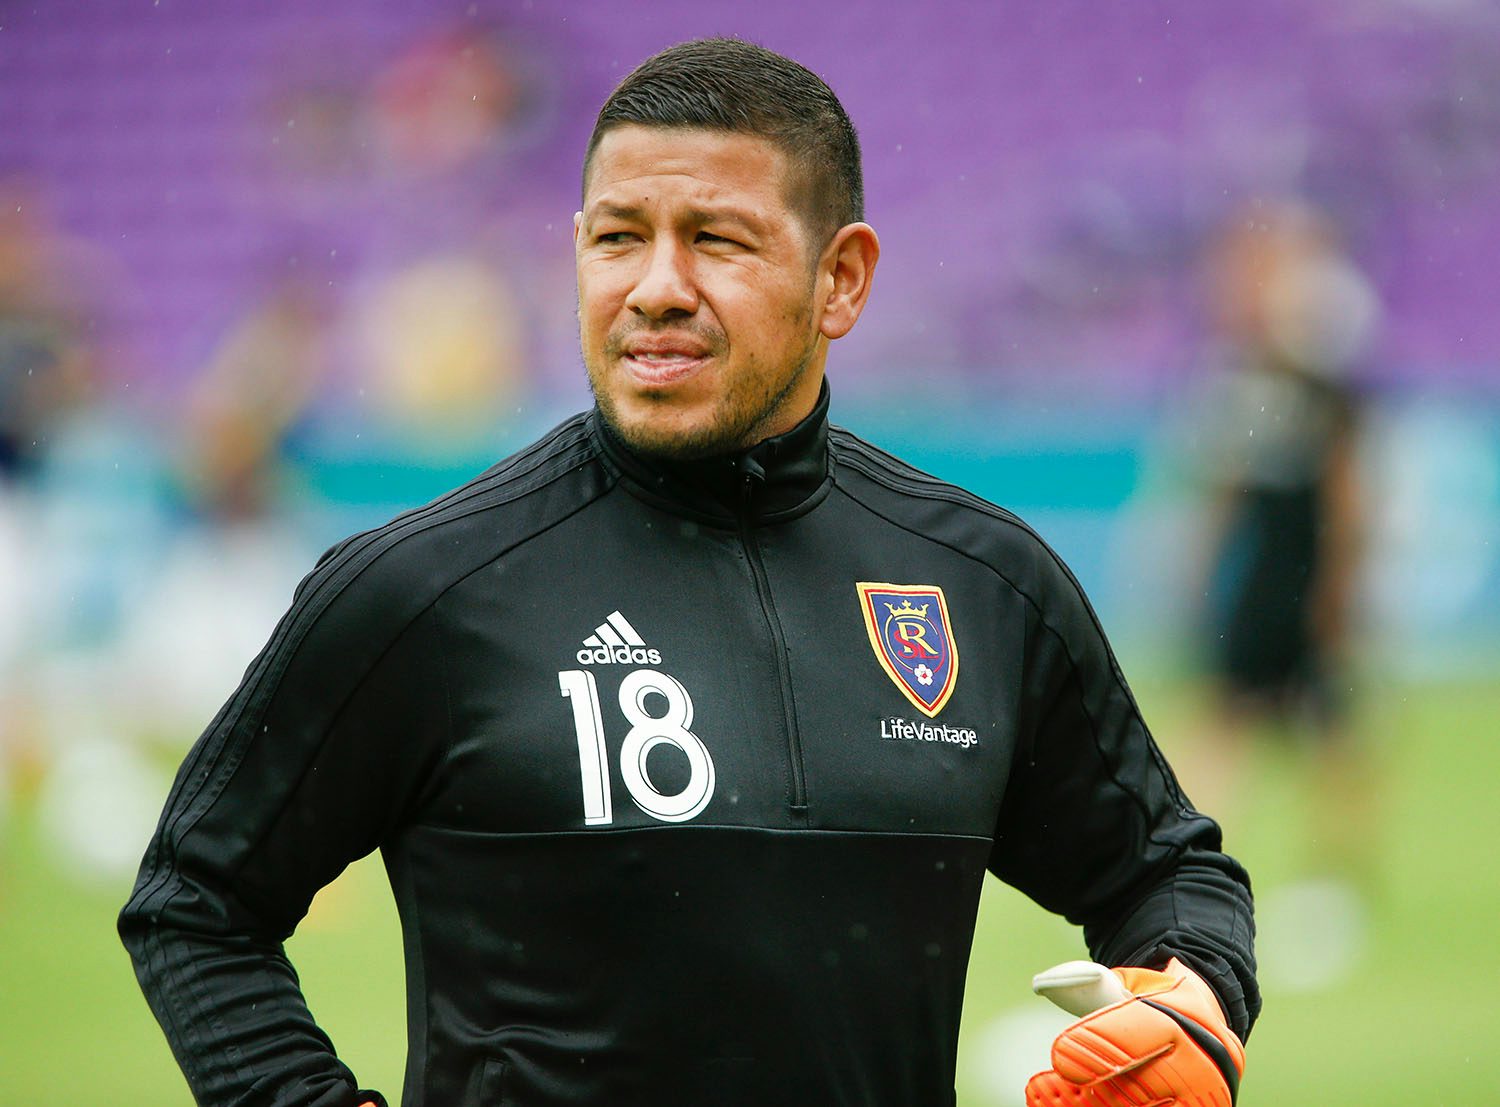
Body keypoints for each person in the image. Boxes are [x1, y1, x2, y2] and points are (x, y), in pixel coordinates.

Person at [120, 38, 1257, 1107]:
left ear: (842, 278)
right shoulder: (423, 586)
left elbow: (1166, 874)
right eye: (619, 238)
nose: (655, 287)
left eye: (716, 240)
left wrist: (1192, 1001)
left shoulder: (981, 585)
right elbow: (196, 900)